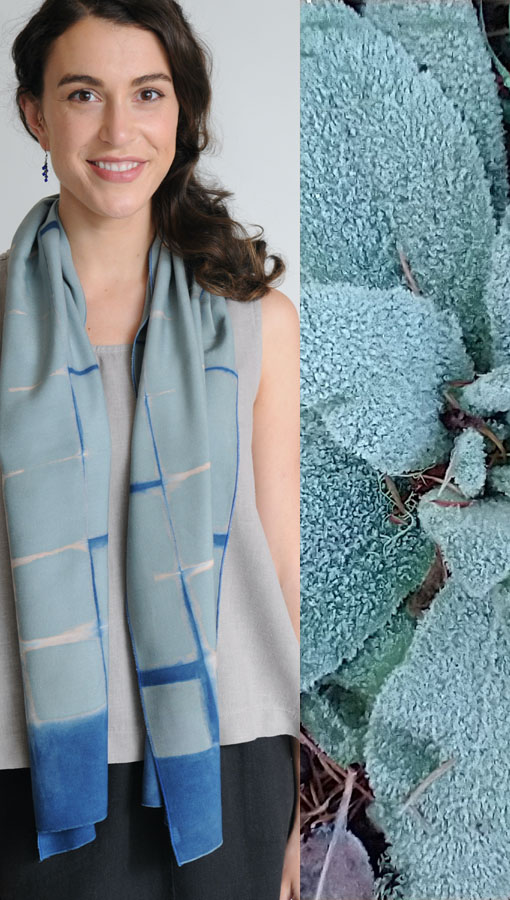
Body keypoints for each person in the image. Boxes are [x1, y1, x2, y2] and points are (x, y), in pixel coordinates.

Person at [0, 2, 300, 899]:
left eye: (149, 93)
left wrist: (311, 804)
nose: (118, 129)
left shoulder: (258, 323)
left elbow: (287, 561)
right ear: (35, 115)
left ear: (182, 114)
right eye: (84, 94)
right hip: (33, 770)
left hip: (231, 760)